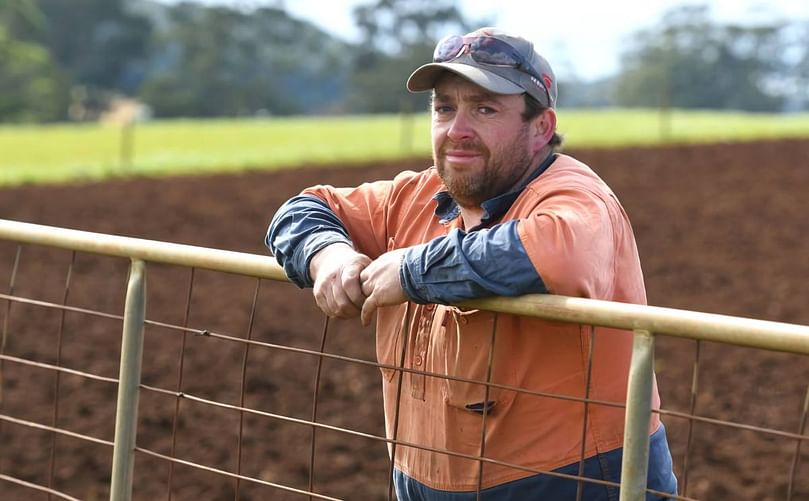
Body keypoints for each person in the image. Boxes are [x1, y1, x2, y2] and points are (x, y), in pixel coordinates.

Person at [266, 27, 678, 500]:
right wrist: (327, 255)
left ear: (541, 126)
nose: (457, 130)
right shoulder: (416, 195)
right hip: (418, 475)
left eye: (484, 109)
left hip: (571, 476)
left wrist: (409, 270)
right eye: (445, 108)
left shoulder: (574, 194)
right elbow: (302, 209)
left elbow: (557, 253)